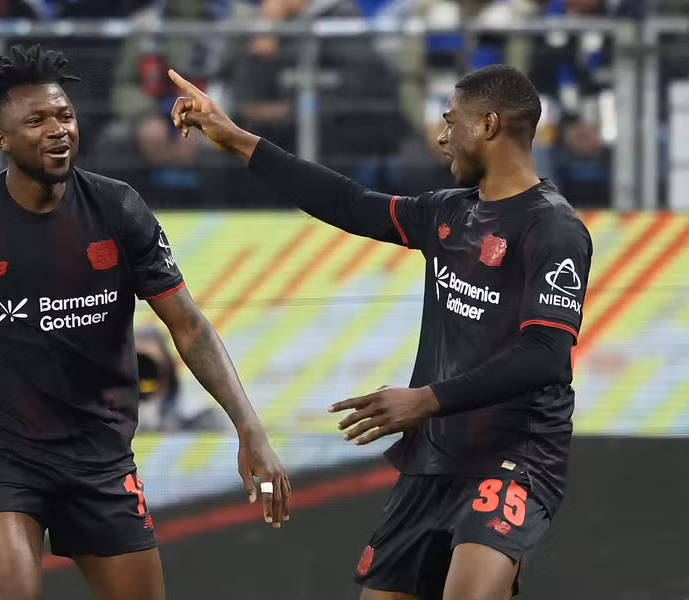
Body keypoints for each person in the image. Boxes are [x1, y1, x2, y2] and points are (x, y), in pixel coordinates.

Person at [0, 44, 290, 600]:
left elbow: (190, 327)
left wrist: (249, 427)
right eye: (35, 121)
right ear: (2, 140)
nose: (58, 129)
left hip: (100, 458)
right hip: (3, 454)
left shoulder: (119, 209)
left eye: (64, 115)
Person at [168, 64, 592, 599]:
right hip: (435, 458)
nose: (440, 137)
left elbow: (547, 355)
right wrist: (235, 140)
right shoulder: (448, 213)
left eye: (449, 121)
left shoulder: (552, 227)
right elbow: (348, 203)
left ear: (487, 125)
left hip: (515, 456)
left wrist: (425, 400)